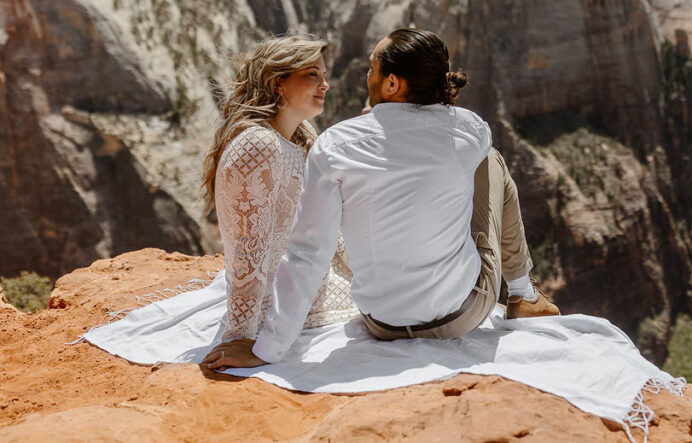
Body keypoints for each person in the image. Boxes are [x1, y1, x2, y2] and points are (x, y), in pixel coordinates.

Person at [205, 28, 559, 370]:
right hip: (461, 316)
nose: (365, 76)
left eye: (372, 68)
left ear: (392, 83)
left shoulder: (334, 145)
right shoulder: (472, 130)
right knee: (490, 159)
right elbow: (422, 137)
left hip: (381, 323)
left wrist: (268, 349)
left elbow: (309, 252)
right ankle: (523, 295)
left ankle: (521, 295)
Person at [199, 36, 359, 368]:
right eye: (313, 74)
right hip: (284, 294)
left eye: (324, 75)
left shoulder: (303, 135)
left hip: (314, 271)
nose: (326, 85)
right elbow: (248, 250)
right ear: (278, 83)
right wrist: (244, 336)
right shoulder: (257, 146)